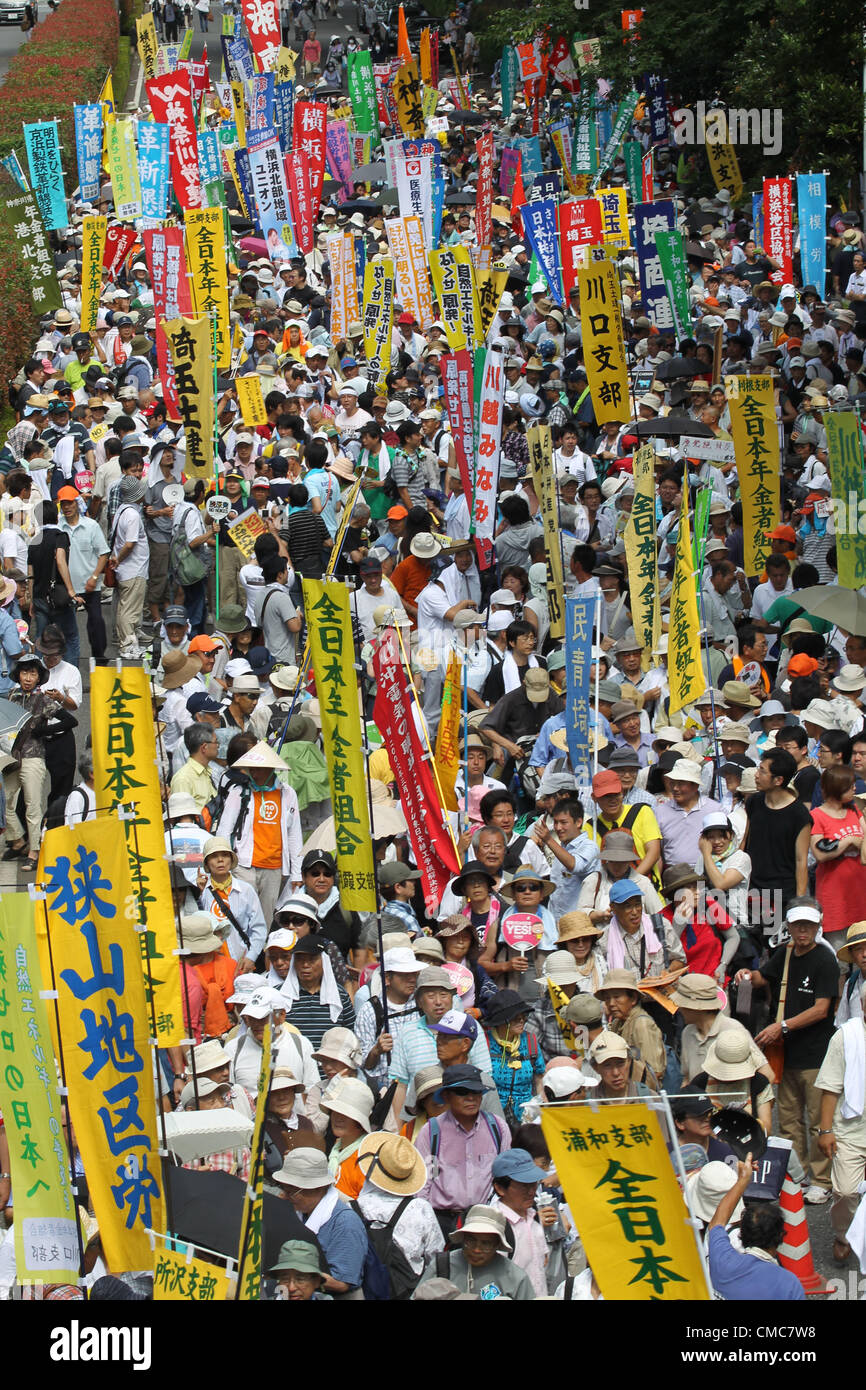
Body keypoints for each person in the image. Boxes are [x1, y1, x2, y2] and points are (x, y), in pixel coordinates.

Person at [736, 897, 839, 1202]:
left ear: (818, 926)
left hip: (816, 1053)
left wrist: (782, 1026)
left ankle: (822, 1179)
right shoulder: (785, 953)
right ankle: (801, 1174)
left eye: (808, 924)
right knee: (790, 1118)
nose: (803, 930)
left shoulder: (825, 960)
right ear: (790, 926)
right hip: (786, 1054)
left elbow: (822, 1009)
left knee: (819, 1118)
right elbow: (762, 978)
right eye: (797, 924)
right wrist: (746, 976)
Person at [415, 1065, 511, 1237]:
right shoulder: (432, 1132)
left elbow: (505, 1177)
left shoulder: (497, 1128)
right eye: (462, 1092)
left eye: (476, 1092)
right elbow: (424, 1183)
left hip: (485, 1219)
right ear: (446, 1096)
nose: (471, 1098)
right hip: (442, 1220)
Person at [273, 1147, 368, 1299]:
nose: (286, 1195)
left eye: (293, 1191)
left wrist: (294, 1272)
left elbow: (342, 1283)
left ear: (318, 1188)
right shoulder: (296, 1210)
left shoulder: (345, 1223)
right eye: (285, 1188)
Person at [706, 1156, 806, 1300]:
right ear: (780, 1236)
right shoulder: (788, 1284)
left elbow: (717, 1223)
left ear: (741, 1233)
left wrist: (743, 1180)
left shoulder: (722, 1260)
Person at [415, 1203, 534, 1300]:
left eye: (486, 1244)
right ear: (463, 1238)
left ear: (497, 1244)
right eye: (470, 1241)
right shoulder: (442, 1265)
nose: (476, 1250)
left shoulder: (515, 1277)